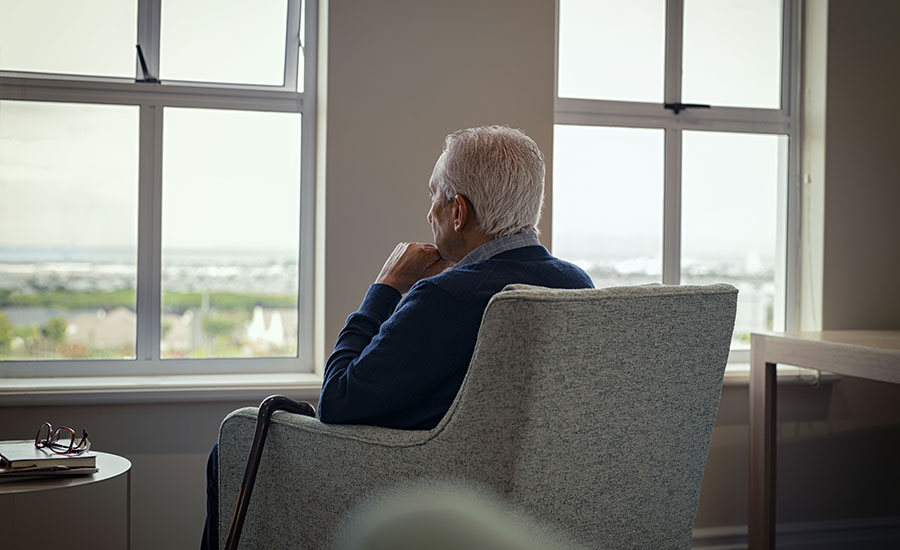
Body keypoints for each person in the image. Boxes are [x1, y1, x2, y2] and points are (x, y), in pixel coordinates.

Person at [201, 125, 593, 548]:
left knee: (231, 450)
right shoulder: (577, 285)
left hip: (419, 482)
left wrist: (385, 287)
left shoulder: (446, 296)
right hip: (525, 497)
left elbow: (337, 400)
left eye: (433, 195)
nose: (429, 213)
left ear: (458, 211)